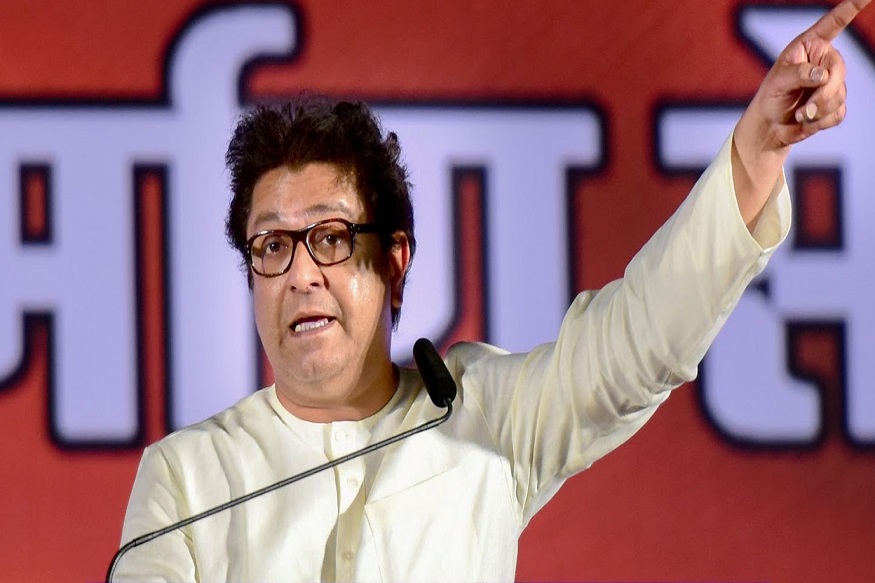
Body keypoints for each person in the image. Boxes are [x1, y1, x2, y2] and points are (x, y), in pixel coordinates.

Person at [114, 1, 870, 581]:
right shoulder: (185, 476)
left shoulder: (484, 414)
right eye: (272, 246)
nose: (300, 274)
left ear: (395, 260)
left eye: (331, 238)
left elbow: (640, 342)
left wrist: (758, 150)